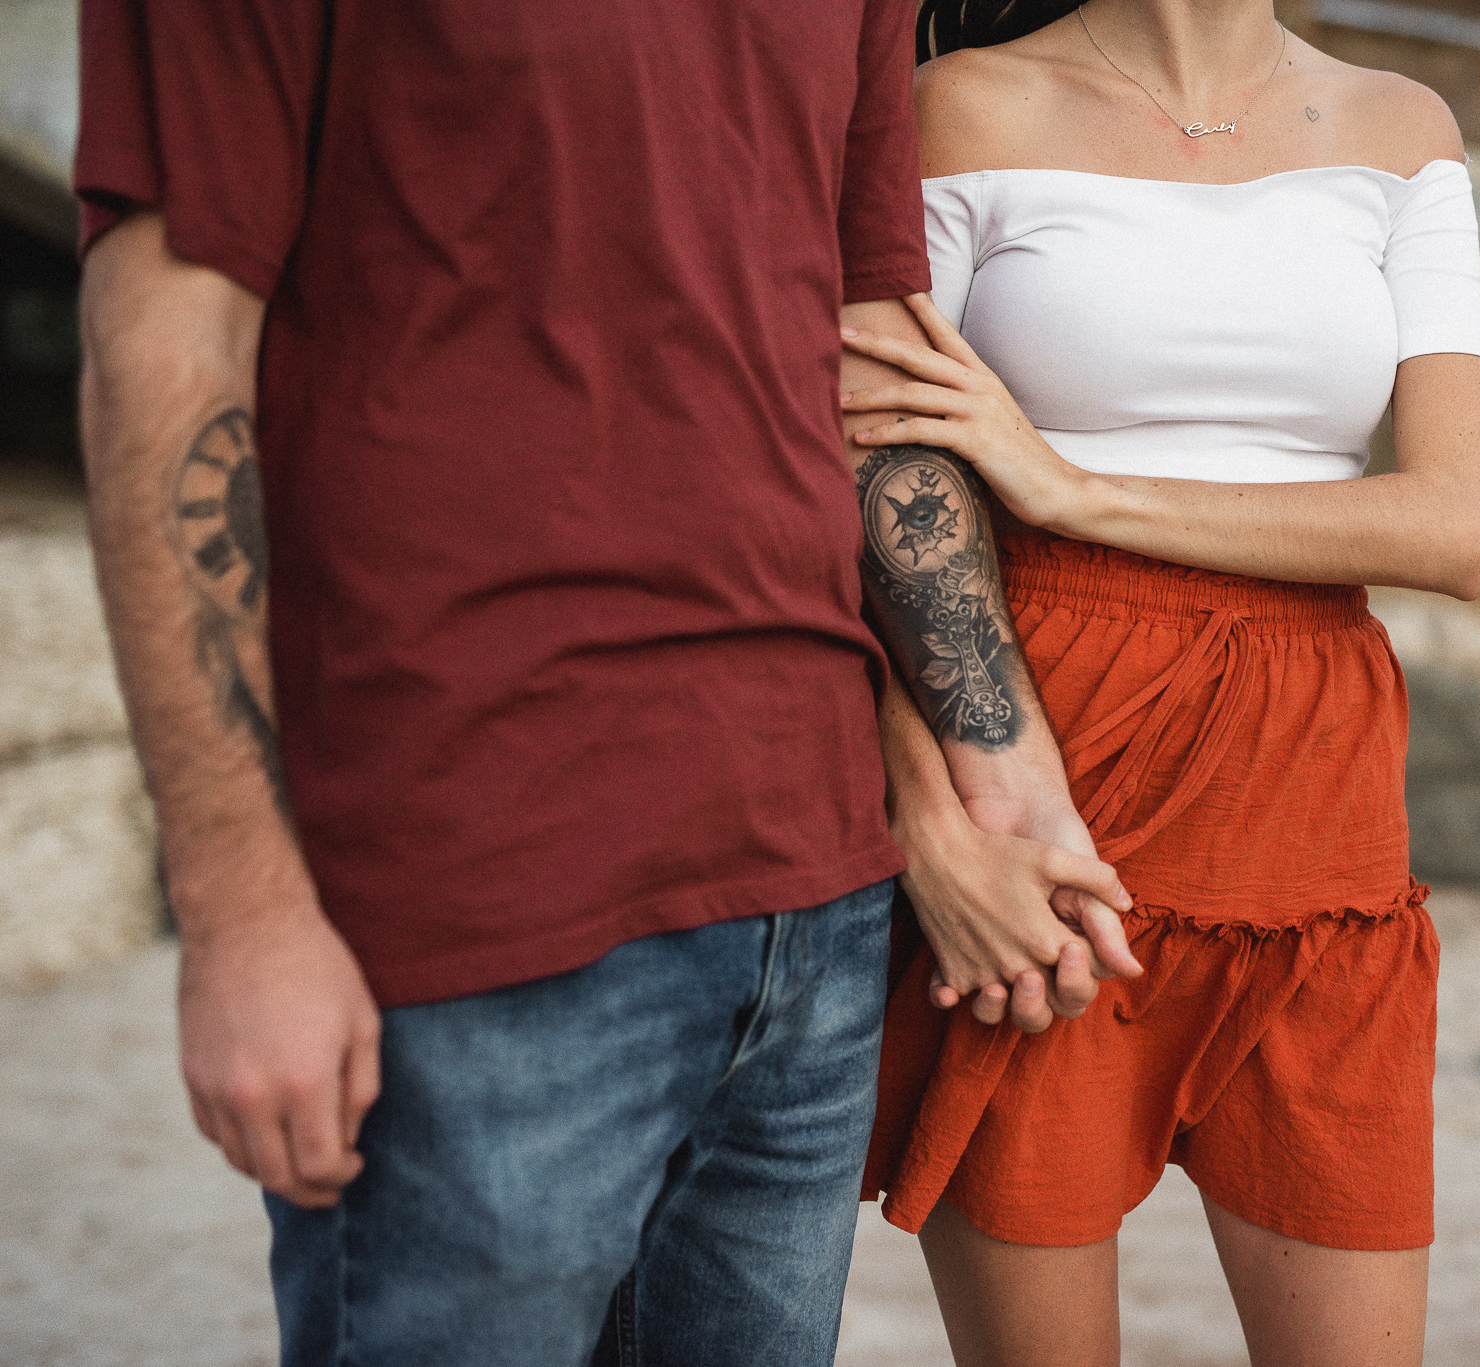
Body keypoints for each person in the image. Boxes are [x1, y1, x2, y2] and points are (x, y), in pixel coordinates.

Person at [72, 1, 1131, 1362]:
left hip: (811, 899)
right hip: (479, 887)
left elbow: (868, 350)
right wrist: (238, 910)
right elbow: (168, 343)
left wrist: (1014, 783)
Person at [845, 2, 1480, 1363]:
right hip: (1045, 785)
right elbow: (858, 499)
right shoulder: (960, 106)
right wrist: (935, 827)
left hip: (1322, 821)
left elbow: (1454, 525)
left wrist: (1072, 487)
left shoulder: (1401, 129)